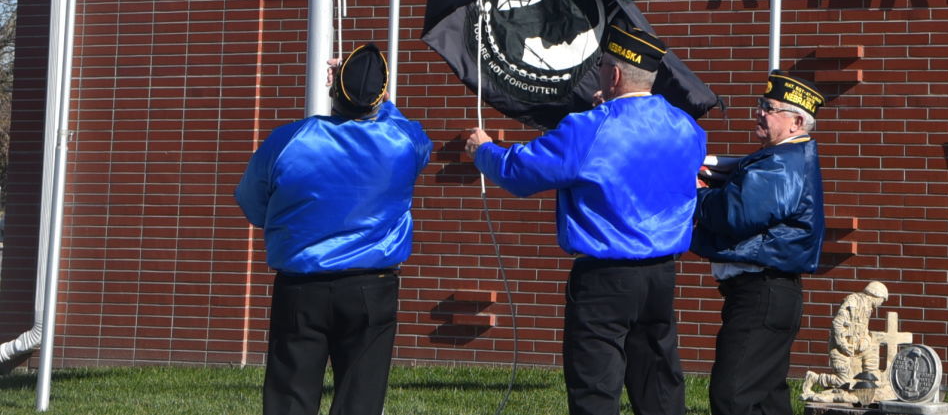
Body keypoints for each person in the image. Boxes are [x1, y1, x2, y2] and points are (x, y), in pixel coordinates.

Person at [467, 22, 706, 415]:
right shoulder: (686, 127)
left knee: (595, 389)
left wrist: (484, 150)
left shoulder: (589, 128)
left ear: (613, 74)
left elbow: (521, 172)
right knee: (659, 384)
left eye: (601, 69)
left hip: (604, 277)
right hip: (661, 273)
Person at [234, 43, 432, 415]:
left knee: (289, 400)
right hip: (372, 288)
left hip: (300, 286)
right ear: (381, 97)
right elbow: (407, 129)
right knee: (360, 401)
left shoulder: (288, 140)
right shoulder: (403, 142)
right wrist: (376, 96)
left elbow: (251, 203)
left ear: (332, 91)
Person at [692, 71, 827, 415]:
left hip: (761, 294)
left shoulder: (784, 163)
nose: (760, 112)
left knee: (732, 396)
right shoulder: (781, 158)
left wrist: (700, 195)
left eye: (770, 107)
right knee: (767, 401)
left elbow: (734, 213)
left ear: (797, 121)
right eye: (761, 104)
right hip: (768, 294)